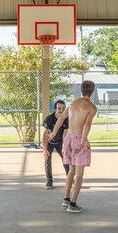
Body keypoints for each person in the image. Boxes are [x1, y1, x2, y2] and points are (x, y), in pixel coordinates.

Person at [48, 80, 97, 213]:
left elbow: (62, 117)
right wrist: (82, 142)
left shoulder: (73, 104)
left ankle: (66, 199)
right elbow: (87, 125)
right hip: (78, 139)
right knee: (79, 174)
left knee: (71, 171)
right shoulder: (92, 107)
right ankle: (73, 204)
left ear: (81, 90)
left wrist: (53, 132)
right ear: (92, 92)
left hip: (69, 139)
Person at [42, 100, 70, 189]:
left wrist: (64, 146)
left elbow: (65, 134)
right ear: (54, 109)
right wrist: (44, 149)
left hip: (60, 142)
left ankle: (69, 178)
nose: (61, 111)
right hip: (49, 142)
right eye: (59, 108)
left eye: (63, 108)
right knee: (47, 161)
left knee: (65, 160)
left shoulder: (66, 119)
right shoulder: (49, 119)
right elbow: (43, 135)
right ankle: (49, 181)